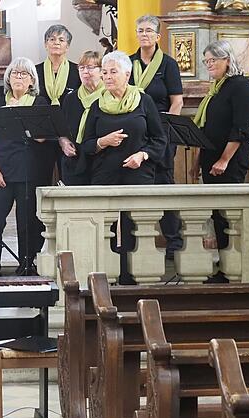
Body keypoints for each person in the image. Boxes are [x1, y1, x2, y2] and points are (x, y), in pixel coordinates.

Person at [79, 51, 167, 284]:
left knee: (133, 226)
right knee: (104, 227)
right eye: (105, 72)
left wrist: (142, 154)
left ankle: (133, 276)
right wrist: (102, 142)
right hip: (104, 174)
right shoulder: (97, 105)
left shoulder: (144, 101)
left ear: (127, 74)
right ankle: (104, 275)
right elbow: (86, 145)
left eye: (113, 72)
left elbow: (160, 139)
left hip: (137, 172)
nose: (107, 77)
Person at [191, 40, 249, 283]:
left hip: (229, 161)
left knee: (229, 215)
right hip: (211, 158)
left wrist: (224, 160)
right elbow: (206, 127)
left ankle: (234, 267)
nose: (208, 65)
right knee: (217, 214)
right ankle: (223, 267)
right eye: (206, 61)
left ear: (227, 60)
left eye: (213, 60)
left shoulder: (241, 87)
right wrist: (198, 160)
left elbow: (240, 129)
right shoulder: (216, 88)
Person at [0, 57, 50, 277]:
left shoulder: (39, 104)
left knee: (27, 224)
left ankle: (27, 265)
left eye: (24, 74)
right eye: (15, 73)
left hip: (28, 171)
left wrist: (18, 116)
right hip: (0, 170)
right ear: (8, 79)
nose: (19, 77)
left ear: (32, 81)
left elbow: (41, 139)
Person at [130, 15, 185, 260]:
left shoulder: (169, 65)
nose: (144, 34)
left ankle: (173, 241)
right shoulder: (128, 62)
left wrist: (164, 131)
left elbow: (177, 101)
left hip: (161, 134)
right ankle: (135, 243)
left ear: (158, 36)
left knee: (164, 184)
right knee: (135, 186)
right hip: (135, 134)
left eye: (149, 30)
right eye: (140, 30)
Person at [37, 24, 82, 183]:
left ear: (67, 46)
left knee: (68, 178)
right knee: (41, 178)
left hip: (69, 132)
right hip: (43, 134)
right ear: (45, 44)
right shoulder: (35, 72)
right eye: (52, 39)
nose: (56, 43)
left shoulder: (78, 71)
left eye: (61, 40)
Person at [58, 51, 104, 185]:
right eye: (82, 68)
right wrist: (64, 143)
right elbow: (62, 129)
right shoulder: (71, 98)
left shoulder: (109, 96)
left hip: (102, 161)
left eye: (90, 67)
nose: (85, 72)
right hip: (75, 160)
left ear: (101, 71)